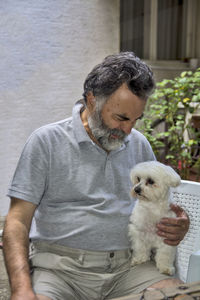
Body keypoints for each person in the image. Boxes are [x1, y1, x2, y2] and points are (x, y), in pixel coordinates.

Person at [3, 52, 189, 300]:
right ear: (92, 100)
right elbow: (17, 221)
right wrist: (22, 289)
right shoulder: (46, 141)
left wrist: (178, 223)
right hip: (60, 270)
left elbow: (160, 203)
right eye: (121, 118)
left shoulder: (139, 144)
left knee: (181, 296)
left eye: (136, 120)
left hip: (130, 268)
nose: (128, 130)